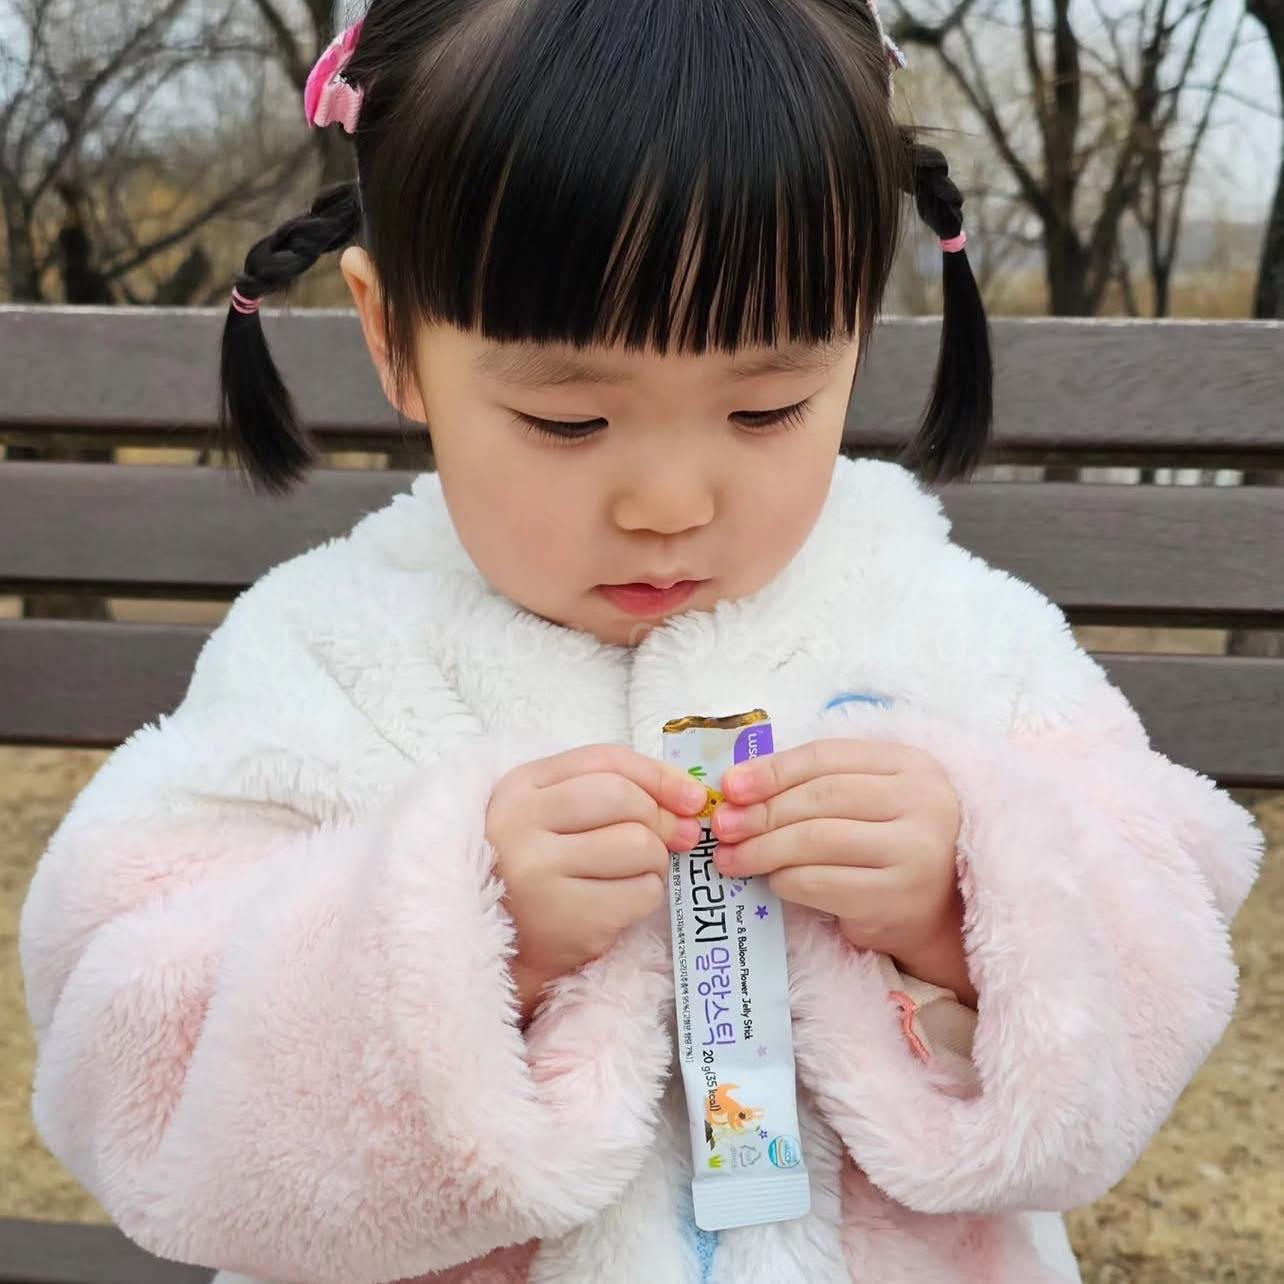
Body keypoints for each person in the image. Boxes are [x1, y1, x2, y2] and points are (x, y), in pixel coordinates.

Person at [19, 2, 1263, 1282]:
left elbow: (1163, 933)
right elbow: (129, 1059)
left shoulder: (947, 623)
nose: (669, 503)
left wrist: (968, 903)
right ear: (393, 337)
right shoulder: (324, 656)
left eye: (768, 407)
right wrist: (456, 937)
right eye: (569, 422)